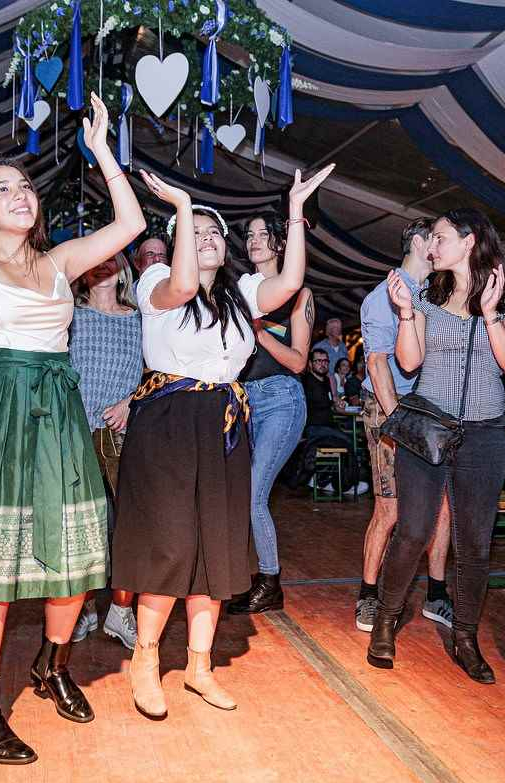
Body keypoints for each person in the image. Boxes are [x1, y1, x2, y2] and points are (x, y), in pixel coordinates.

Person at [0, 94, 145, 765]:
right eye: (3, 190)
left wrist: (103, 150)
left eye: (24, 186)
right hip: (0, 409)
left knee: (76, 559)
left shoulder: (60, 263)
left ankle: (51, 667)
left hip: (59, 413)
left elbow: (132, 223)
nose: (19, 194)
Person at [112, 164, 332, 721]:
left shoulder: (241, 295)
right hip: (168, 420)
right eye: (196, 232)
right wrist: (185, 210)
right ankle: (144, 660)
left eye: (214, 233)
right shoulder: (154, 283)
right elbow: (183, 284)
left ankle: (199, 666)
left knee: (218, 547)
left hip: (225, 423)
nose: (207, 239)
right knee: (171, 543)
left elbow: (289, 283)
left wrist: (296, 215)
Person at [370, 209, 505, 685]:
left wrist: (488, 312)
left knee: (474, 543)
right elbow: (409, 359)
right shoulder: (426, 295)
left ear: (469, 241)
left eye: (438, 238)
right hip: (427, 429)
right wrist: (404, 313)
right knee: (413, 532)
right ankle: (385, 618)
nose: (430, 247)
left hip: (483, 434)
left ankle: (465, 637)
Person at [356, 218, 452, 633]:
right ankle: (368, 595)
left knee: (442, 506)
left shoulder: (435, 296)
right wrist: (397, 421)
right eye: (437, 238)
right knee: (390, 509)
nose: (442, 246)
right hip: (388, 407)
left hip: (429, 408)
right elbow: (377, 363)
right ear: (418, 242)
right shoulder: (384, 296)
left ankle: (436, 593)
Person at [228, 211, 312, 616]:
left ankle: (270, 581)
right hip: (242, 400)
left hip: (281, 398)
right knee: (238, 493)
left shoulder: (298, 295)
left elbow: (298, 362)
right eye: (250, 234)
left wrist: (259, 331)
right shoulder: (240, 291)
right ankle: (242, 577)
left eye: (264, 234)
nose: (255, 240)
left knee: (253, 494)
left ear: (281, 243)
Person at [68, 251, 143, 648]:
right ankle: (83, 609)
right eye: (94, 261)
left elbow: (156, 370)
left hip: (119, 433)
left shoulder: (138, 319)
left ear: (122, 273)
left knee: (126, 527)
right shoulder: (71, 315)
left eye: (111, 261)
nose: (102, 266)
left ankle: (121, 611)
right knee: (80, 526)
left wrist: (131, 401)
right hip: (75, 433)